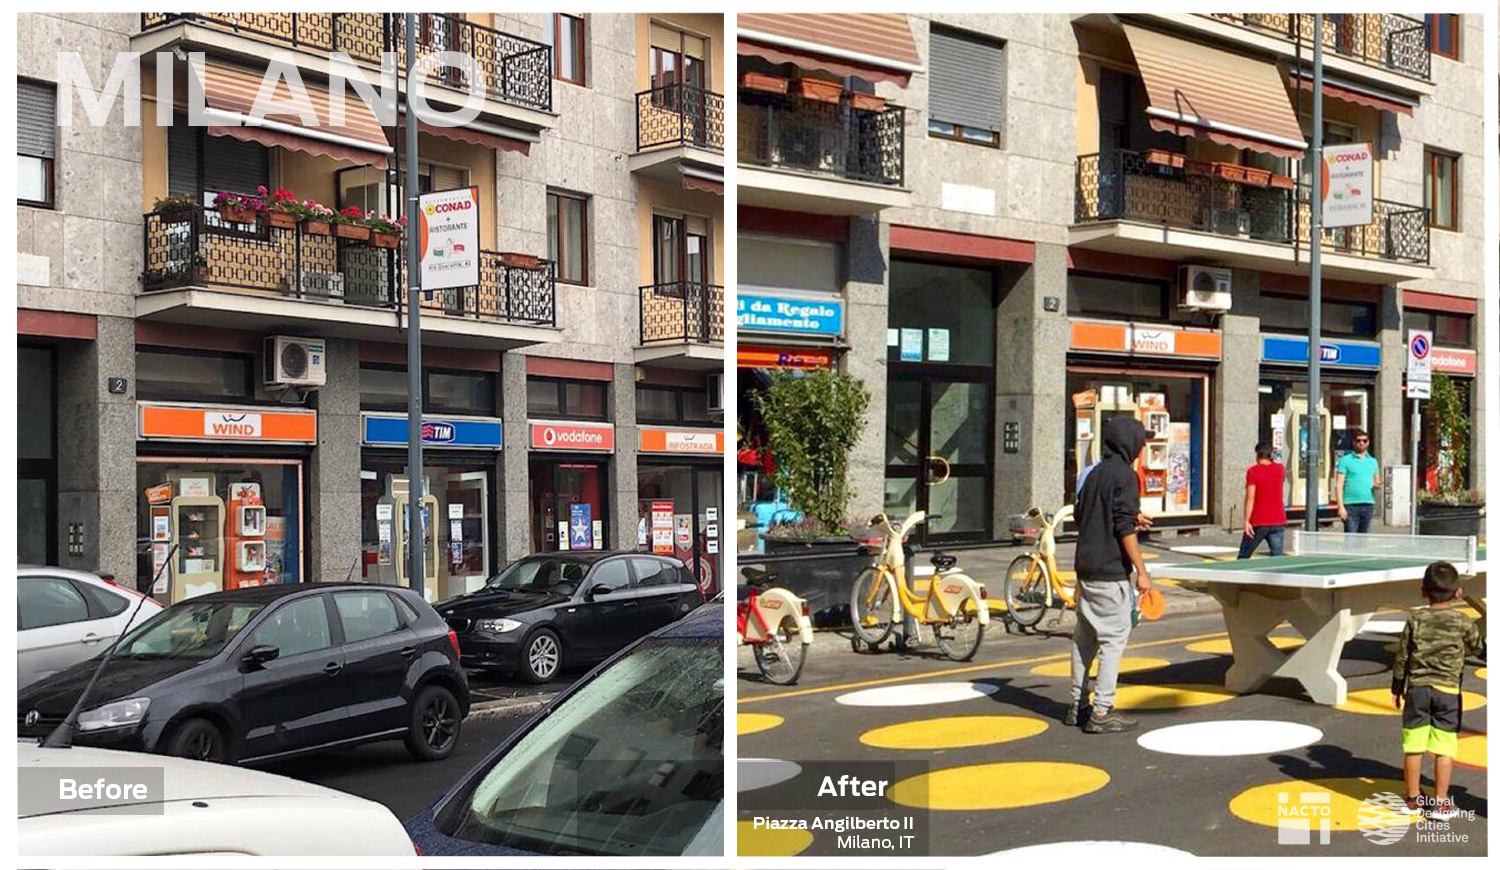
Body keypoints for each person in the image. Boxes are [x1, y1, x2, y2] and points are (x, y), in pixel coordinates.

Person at [1066, 416, 1153, 734]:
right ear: (1130, 444)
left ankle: (1077, 705)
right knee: (1113, 640)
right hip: (1110, 571)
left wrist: (1130, 518)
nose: (1142, 449)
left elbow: (1083, 515)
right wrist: (1142, 572)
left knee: (1084, 639)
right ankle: (1102, 711)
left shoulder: (1092, 474)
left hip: (1085, 568)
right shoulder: (1126, 477)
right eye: (1141, 443)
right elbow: (1122, 527)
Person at [1392, 561, 1485, 820]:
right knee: (1444, 748)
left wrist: (1397, 686)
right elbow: (1479, 648)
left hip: (1417, 691)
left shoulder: (1415, 619)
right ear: (1458, 592)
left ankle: (1413, 800)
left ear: (1423, 591)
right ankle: (1441, 804)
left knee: (1413, 747)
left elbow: (1402, 656)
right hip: (1448, 692)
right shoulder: (1463, 622)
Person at [1239, 442, 1287, 559]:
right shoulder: (1280, 469)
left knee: (1243, 556)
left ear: (1257, 455)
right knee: (1277, 558)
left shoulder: (1253, 471)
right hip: (1278, 520)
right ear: (1270, 454)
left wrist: (1247, 521)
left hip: (1258, 521)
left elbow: (1250, 497)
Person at [1333, 429, 1380, 533]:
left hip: (1368, 504)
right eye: (1358, 440)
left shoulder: (1373, 461)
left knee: (1363, 539)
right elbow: (1339, 485)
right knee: (1351, 538)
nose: (1361, 443)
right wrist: (1340, 507)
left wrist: (1377, 485)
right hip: (1350, 505)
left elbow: (1377, 481)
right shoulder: (1345, 460)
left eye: (1364, 441)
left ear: (1368, 442)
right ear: (1354, 442)